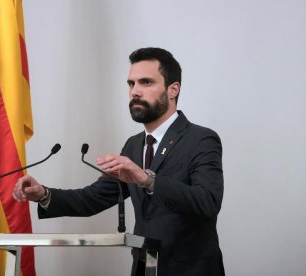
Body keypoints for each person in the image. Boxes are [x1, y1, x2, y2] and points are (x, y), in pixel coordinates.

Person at [13, 47, 225, 275]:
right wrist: (44, 194)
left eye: (146, 82)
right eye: (131, 84)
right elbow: (93, 199)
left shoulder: (201, 139)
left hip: (191, 269)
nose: (135, 91)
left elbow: (207, 202)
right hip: (145, 268)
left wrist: (147, 180)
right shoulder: (133, 146)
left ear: (173, 90)